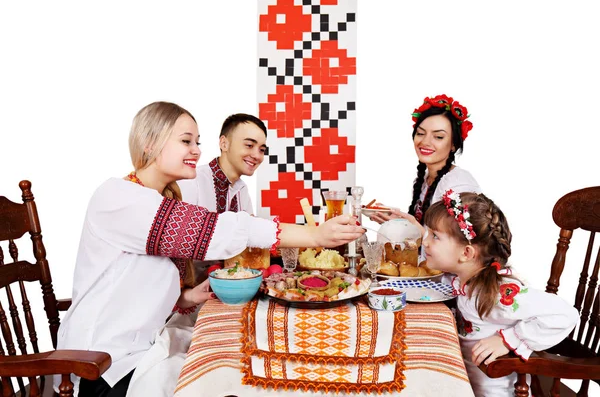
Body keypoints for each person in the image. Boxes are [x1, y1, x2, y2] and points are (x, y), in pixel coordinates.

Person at [55, 101, 364, 397]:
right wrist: (315, 236)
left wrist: (187, 297)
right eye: (186, 141)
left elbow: (137, 284)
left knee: (238, 361)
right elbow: (216, 229)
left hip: (144, 348)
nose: (197, 150)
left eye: (197, 142)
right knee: (227, 379)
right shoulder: (119, 197)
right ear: (149, 143)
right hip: (100, 367)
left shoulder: (161, 197)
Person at [422, 190, 578, 396]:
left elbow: (566, 314)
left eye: (434, 236)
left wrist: (509, 339)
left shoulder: (499, 294)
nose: (425, 242)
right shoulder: (464, 279)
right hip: (463, 383)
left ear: (466, 253)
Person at [370, 94, 481, 237]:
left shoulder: (458, 184)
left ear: (454, 144)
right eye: (421, 133)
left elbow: (459, 246)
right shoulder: (425, 180)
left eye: (438, 137)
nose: (425, 142)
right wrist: (399, 222)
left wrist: (414, 227)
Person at [177, 113, 267, 214]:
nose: (257, 156)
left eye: (262, 150)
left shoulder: (242, 190)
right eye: (249, 145)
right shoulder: (192, 181)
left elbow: (251, 227)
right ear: (224, 144)